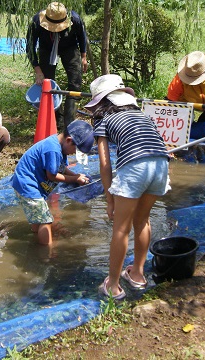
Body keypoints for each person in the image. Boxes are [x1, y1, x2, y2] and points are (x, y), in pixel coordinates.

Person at [85, 74, 171, 299]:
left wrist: (109, 198)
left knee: (121, 228)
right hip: (161, 163)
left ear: (101, 102)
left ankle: (112, 285)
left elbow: (105, 164)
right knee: (142, 220)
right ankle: (138, 274)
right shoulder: (141, 115)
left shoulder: (102, 120)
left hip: (136, 165)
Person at [12, 119, 94, 245]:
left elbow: (61, 168)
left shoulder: (60, 147)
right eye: (76, 150)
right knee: (46, 221)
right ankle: (46, 253)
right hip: (27, 185)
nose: (74, 154)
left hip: (31, 185)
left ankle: (36, 239)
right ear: (69, 140)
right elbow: (52, 175)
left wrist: (76, 175)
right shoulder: (53, 149)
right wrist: (75, 179)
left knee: (38, 218)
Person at [26, 2, 88, 129]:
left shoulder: (75, 19)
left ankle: (69, 122)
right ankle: (57, 119)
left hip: (69, 47)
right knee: (48, 83)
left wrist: (83, 57)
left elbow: (82, 37)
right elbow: (30, 47)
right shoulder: (37, 21)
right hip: (47, 48)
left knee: (75, 82)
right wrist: (37, 70)